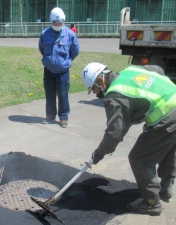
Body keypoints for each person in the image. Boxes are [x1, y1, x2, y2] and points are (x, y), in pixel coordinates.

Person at [81, 62, 176, 216]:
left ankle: (151, 203)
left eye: (93, 88)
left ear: (100, 80)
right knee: (166, 147)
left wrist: (99, 153)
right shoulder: (130, 71)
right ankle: (166, 185)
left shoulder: (115, 95)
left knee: (140, 159)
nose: (94, 93)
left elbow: (115, 133)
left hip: (167, 117)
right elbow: (158, 69)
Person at [39, 7, 79, 128]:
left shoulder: (70, 35)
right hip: (49, 70)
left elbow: (75, 51)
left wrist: (65, 61)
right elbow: (42, 49)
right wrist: (49, 61)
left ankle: (63, 117)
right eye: (55, 23)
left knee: (63, 94)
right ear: (51, 21)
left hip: (63, 71)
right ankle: (50, 115)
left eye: (60, 23)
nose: (57, 25)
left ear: (64, 21)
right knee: (49, 93)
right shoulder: (44, 34)